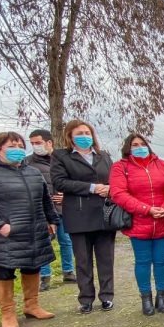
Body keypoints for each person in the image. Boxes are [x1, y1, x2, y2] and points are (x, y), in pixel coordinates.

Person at [0, 131, 59, 327]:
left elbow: (45, 199)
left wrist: (52, 220)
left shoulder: (32, 172)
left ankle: (31, 305)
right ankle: (8, 313)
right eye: (11, 146)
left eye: (20, 146)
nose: (17, 150)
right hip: (5, 233)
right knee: (3, 270)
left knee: (33, 266)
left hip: (34, 230)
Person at [51, 119, 116, 313]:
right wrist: (91, 188)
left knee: (106, 259)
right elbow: (60, 182)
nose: (84, 136)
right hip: (78, 214)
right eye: (79, 133)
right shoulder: (61, 156)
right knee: (83, 260)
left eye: (87, 133)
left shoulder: (104, 156)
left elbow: (115, 178)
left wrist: (110, 188)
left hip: (104, 214)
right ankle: (86, 298)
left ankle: (107, 296)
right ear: (70, 136)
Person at [109, 133, 164, 316]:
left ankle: (162, 296)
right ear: (128, 148)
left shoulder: (162, 164)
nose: (139, 147)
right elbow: (118, 193)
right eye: (135, 144)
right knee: (143, 262)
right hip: (139, 222)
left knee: (161, 261)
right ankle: (146, 297)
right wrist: (146, 209)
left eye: (142, 143)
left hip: (162, 220)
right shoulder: (120, 167)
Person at [26, 129, 76, 291]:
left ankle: (68, 271)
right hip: (41, 211)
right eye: (32, 143)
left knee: (66, 241)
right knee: (44, 243)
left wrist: (67, 196)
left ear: (49, 142)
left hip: (63, 209)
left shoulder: (64, 159)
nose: (35, 146)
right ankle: (45, 276)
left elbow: (74, 181)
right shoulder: (28, 162)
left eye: (38, 143)